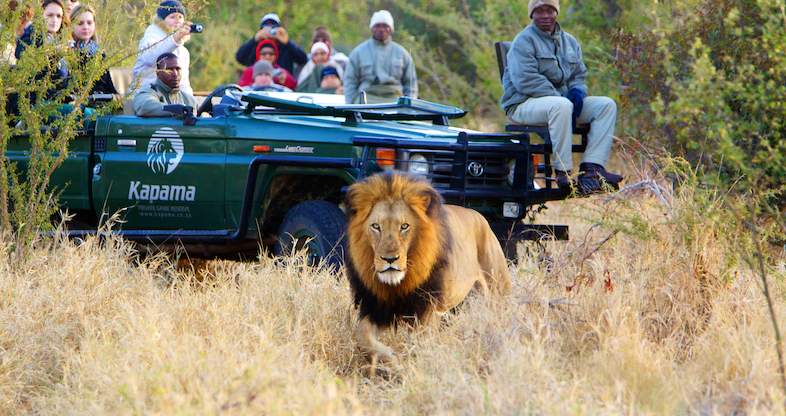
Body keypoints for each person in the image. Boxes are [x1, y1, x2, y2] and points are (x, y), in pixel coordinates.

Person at [500, 0, 623, 193]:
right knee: (561, 106)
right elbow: (525, 80)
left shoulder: (570, 42)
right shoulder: (523, 41)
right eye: (539, 11)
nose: (545, 16)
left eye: (550, 10)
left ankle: (592, 169)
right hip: (523, 104)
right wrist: (564, 99)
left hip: (560, 104)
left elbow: (578, 75)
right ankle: (564, 172)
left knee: (606, 105)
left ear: (556, 12)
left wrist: (578, 93)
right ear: (532, 14)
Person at [344, 10, 417, 104]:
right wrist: (351, 105)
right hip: (366, 98)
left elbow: (411, 84)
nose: (381, 29)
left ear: (390, 29)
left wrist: (409, 106)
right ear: (372, 28)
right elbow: (350, 81)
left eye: (385, 26)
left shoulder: (402, 54)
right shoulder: (358, 52)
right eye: (377, 26)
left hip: (395, 99)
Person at [132, 0, 193, 96]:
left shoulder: (183, 51)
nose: (177, 20)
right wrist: (175, 39)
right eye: (172, 17)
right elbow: (153, 59)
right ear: (161, 21)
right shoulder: (150, 39)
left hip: (172, 99)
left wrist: (191, 104)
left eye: (180, 17)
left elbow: (184, 84)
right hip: (146, 94)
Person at [235, 13, 307, 75]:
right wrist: (254, 40)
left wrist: (287, 42)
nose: (269, 31)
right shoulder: (255, 47)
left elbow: (303, 59)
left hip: (282, 86)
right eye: (266, 28)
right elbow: (240, 58)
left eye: (273, 28)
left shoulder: (286, 47)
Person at [69, 4, 117, 95]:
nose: (86, 27)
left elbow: (108, 85)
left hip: (99, 101)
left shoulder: (99, 53)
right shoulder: (67, 52)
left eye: (89, 23)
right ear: (71, 25)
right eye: (80, 23)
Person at [133, 52, 196, 117]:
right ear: (158, 73)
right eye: (169, 69)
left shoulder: (189, 99)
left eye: (178, 69)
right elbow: (144, 107)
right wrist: (176, 109)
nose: (175, 74)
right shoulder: (148, 91)